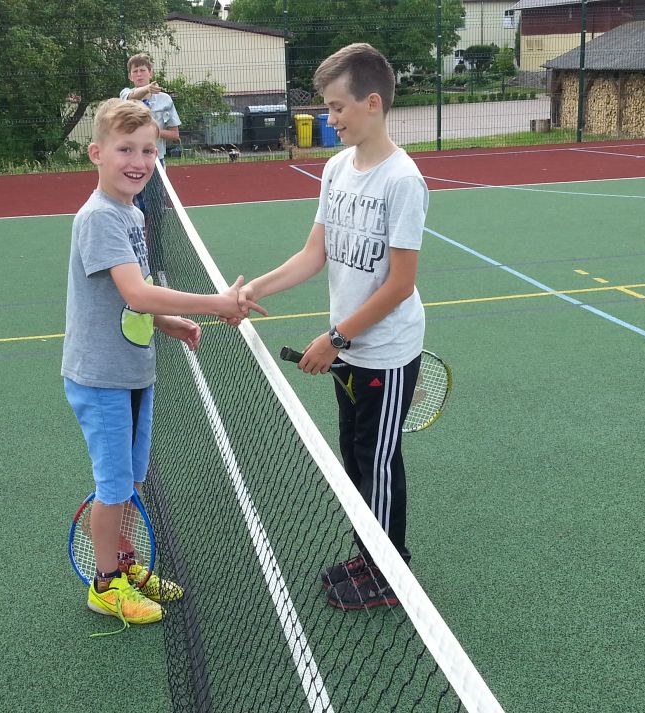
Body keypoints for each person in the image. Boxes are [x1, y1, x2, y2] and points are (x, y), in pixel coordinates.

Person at [235, 43, 429, 611]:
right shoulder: (336, 168)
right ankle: (370, 554)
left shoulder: (403, 181)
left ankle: (390, 573)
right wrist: (255, 289)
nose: (331, 118)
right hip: (349, 348)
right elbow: (313, 253)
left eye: (338, 107)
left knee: (378, 461)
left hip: (386, 351)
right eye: (327, 108)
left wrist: (336, 338)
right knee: (355, 455)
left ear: (372, 103)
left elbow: (400, 284)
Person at [64, 98, 263, 626]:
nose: (138, 161)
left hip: (132, 373)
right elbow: (137, 292)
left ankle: (125, 562)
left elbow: (134, 296)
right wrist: (216, 303)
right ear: (96, 154)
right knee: (113, 487)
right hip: (102, 378)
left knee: (130, 482)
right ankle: (105, 585)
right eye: (125, 149)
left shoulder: (132, 213)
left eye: (148, 150)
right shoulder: (100, 217)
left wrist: (168, 322)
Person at [119, 53, 181, 162]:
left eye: (142, 70)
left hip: (156, 157)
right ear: (130, 76)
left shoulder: (165, 99)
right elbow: (132, 97)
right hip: (131, 157)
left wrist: (153, 131)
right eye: (135, 71)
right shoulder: (125, 94)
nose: (139, 74)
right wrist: (147, 88)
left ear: (150, 73)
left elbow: (175, 134)